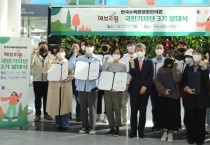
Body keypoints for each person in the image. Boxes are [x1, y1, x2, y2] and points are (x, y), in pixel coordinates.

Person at [182, 48, 210, 145]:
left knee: (200, 120)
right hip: (190, 97)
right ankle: (191, 138)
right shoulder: (188, 66)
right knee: (190, 119)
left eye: (198, 53)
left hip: (201, 98)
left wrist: (204, 68)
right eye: (195, 53)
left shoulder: (205, 66)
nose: (196, 54)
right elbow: (183, 79)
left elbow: (206, 80)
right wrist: (187, 88)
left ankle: (199, 139)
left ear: (201, 56)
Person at [74, 40, 101, 135]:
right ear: (84, 47)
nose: (89, 47)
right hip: (81, 87)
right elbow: (75, 70)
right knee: (83, 108)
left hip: (92, 87)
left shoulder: (97, 59)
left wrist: (94, 79)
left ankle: (92, 128)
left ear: (94, 48)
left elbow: (100, 73)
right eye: (87, 46)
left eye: (91, 46)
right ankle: (84, 127)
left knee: (92, 108)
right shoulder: (79, 59)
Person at [154, 50, 181, 143]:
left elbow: (177, 79)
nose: (168, 59)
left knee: (172, 114)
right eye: (167, 57)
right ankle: (165, 131)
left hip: (173, 96)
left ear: (173, 58)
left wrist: (174, 66)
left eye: (170, 57)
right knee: (163, 114)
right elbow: (156, 80)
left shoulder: (177, 67)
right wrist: (163, 90)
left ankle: (170, 132)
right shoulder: (161, 68)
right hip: (163, 95)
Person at [43, 47, 73, 130]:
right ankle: (58, 123)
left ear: (65, 53)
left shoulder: (68, 62)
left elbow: (73, 74)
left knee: (64, 105)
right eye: (59, 52)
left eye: (63, 51)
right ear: (56, 53)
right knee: (56, 105)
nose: (61, 53)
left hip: (65, 86)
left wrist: (66, 79)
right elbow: (45, 71)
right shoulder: (52, 62)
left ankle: (65, 124)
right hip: (54, 87)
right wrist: (47, 63)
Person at [128, 43, 154, 138]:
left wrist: (145, 86)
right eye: (137, 50)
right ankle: (133, 130)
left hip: (145, 90)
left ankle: (141, 130)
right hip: (134, 90)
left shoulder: (149, 61)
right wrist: (133, 66)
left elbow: (151, 75)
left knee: (143, 111)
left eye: (141, 50)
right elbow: (132, 74)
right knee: (133, 111)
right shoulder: (132, 61)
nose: (139, 52)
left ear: (145, 51)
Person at [102, 46, 126, 136]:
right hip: (107, 90)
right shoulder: (108, 64)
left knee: (117, 109)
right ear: (112, 54)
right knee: (108, 109)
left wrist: (117, 87)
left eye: (118, 53)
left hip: (118, 91)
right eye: (115, 53)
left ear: (121, 55)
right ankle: (111, 127)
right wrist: (105, 62)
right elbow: (103, 73)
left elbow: (123, 78)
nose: (116, 54)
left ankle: (117, 128)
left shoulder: (123, 66)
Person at [31, 42, 53, 122]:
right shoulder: (34, 55)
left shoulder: (51, 56)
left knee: (47, 98)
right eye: (41, 46)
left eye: (45, 46)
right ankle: (37, 114)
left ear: (47, 48)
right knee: (37, 98)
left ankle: (46, 114)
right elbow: (30, 64)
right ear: (38, 47)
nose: (43, 47)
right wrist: (33, 53)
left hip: (47, 80)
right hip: (37, 80)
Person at [121, 40, 137, 126]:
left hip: (135, 82)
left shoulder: (138, 56)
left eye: (132, 45)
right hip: (125, 81)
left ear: (135, 46)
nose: (130, 47)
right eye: (129, 45)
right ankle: (124, 119)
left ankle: (135, 120)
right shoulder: (123, 56)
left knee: (135, 103)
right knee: (124, 102)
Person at [150, 44, 165, 131]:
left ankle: (162, 124)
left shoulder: (166, 61)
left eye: (161, 48)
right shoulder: (151, 61)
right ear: (155, 49)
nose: (159, 49)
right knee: (154, 106)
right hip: (153, 86)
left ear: (163, 50)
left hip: (163, 86)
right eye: (157, 48)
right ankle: (155, 123)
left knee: (162, 105)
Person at [96, 38, 111, 123]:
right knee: (98, 98)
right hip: (98, 80)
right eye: (103, 44)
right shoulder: (97, 56)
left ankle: (106, 115)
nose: (104, 45)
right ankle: (98, 114)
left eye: (106, 44)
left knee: (107, 99)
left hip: (108, 80)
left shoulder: (111, 56)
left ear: (109, 46)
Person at [68, 43, 82, 122]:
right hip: (69, 80)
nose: (75, 48)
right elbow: (69, 67)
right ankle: (68, 114)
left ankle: (79, 114)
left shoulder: (81, 56)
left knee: (78, 99)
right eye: (73, 46)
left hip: (78, 80)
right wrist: (73, 55)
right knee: (68, 98)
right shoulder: (68, 56)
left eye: (76, 46)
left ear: (79, 48)